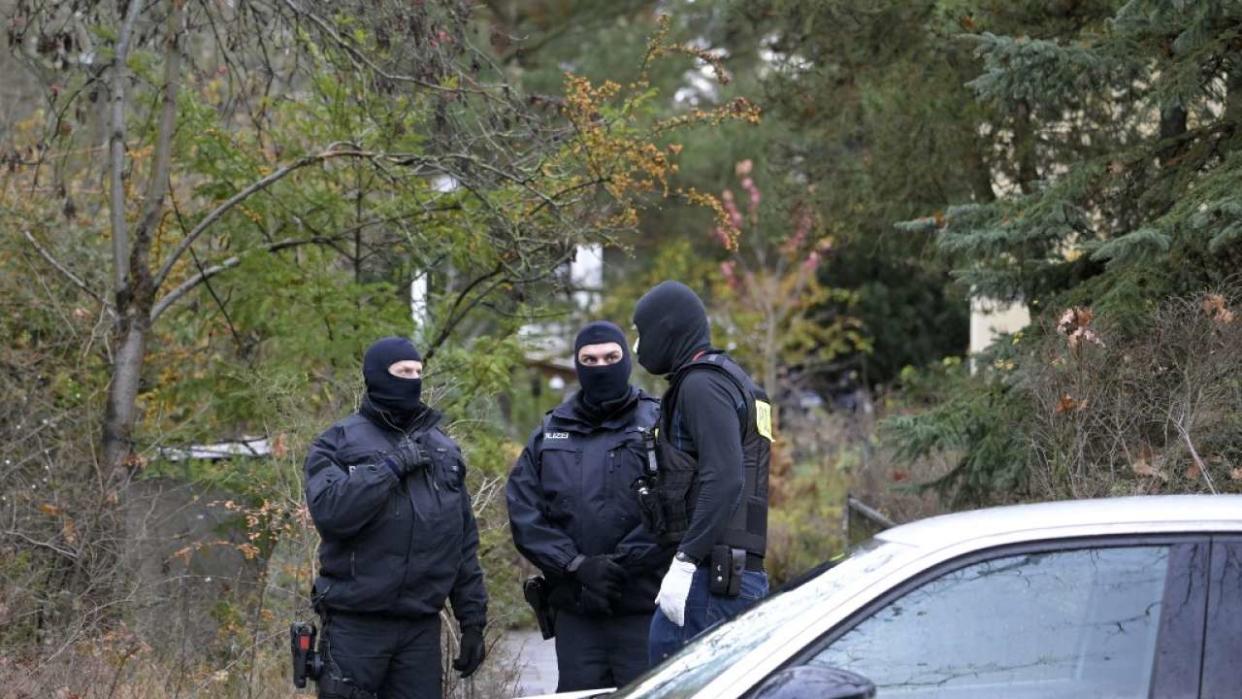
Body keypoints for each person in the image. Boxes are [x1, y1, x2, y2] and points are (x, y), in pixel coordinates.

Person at [303, 337, 487, 699]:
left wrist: (473, 621)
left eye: (418, 372)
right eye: (403, 372)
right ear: (376, 376)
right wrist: (389, 468)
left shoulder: (443, 449)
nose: (413, 380)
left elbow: (462, 543)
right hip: (356, 625)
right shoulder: (337, 442)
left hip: (420, 629)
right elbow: (332, 514)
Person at [507, 321, 670, 691]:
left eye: (611, 357)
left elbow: (675, 503)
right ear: (578, 366)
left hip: (644, 608)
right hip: (577, 613)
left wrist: (620, 564)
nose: (601, 366)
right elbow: (524, 511)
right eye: (590, 359)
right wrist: (576, 565)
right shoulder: (550, 432)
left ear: (626, 361)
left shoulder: (658, 422)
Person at [631, 281, 773, 662]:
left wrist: (685, 562)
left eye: (641, 333)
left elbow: (726, 478)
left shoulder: (701, 385)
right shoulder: (731, 380)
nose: (636, 347)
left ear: (667, 329)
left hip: (710, 583)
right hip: (729, 578)